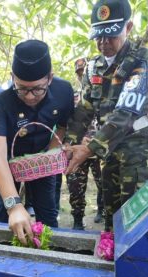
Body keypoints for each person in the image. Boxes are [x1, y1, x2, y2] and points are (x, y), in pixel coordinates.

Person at [65, 0, 148, 232]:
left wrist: (88, 149)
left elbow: (126, 112)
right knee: (111, 212)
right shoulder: (93, 66)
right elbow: (84, 109)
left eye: (111, 36)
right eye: (98, 36)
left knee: (136, 215)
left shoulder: (142, 60)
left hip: (135, 152)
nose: (103, 43)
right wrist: (69, 143)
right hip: (108, 152)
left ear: (128, 28)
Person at [0, 39, 74, 244]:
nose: (30, 96)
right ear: (12, 78)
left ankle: (49, 255)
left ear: (50, 78)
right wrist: (15, 205)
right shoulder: (0, 99)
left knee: (48, 212)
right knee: (5, 213)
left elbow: (62, 125)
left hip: (43, 158)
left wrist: (47, 156)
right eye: (22, 89)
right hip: (9, 162)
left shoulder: (63, 91)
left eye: (37, 89)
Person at [65, 58, 103, 230]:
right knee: (75, 186)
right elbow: (69, 122)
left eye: (83, 71)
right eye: (78, 72)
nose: (81, 75)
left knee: (104, 182)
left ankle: (102, 210)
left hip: (99, 147)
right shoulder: (72, 97)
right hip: (77, 148)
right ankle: (78, 219)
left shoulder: (102, 93)